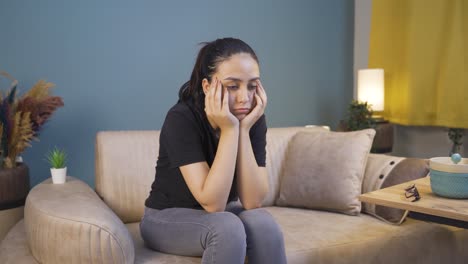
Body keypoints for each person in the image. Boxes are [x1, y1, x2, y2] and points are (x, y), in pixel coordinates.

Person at [140, 37, 287, 264]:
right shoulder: (181, 118)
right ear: (207, 86)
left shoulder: (253, 118)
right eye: (232, 86)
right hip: (165, 218)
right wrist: (230, 130)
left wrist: (244, 130)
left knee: (263, 223)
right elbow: (213, 203)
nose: (244, 98)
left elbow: (252, 201)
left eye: (252, 86)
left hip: (217, 216)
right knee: (226, 228)